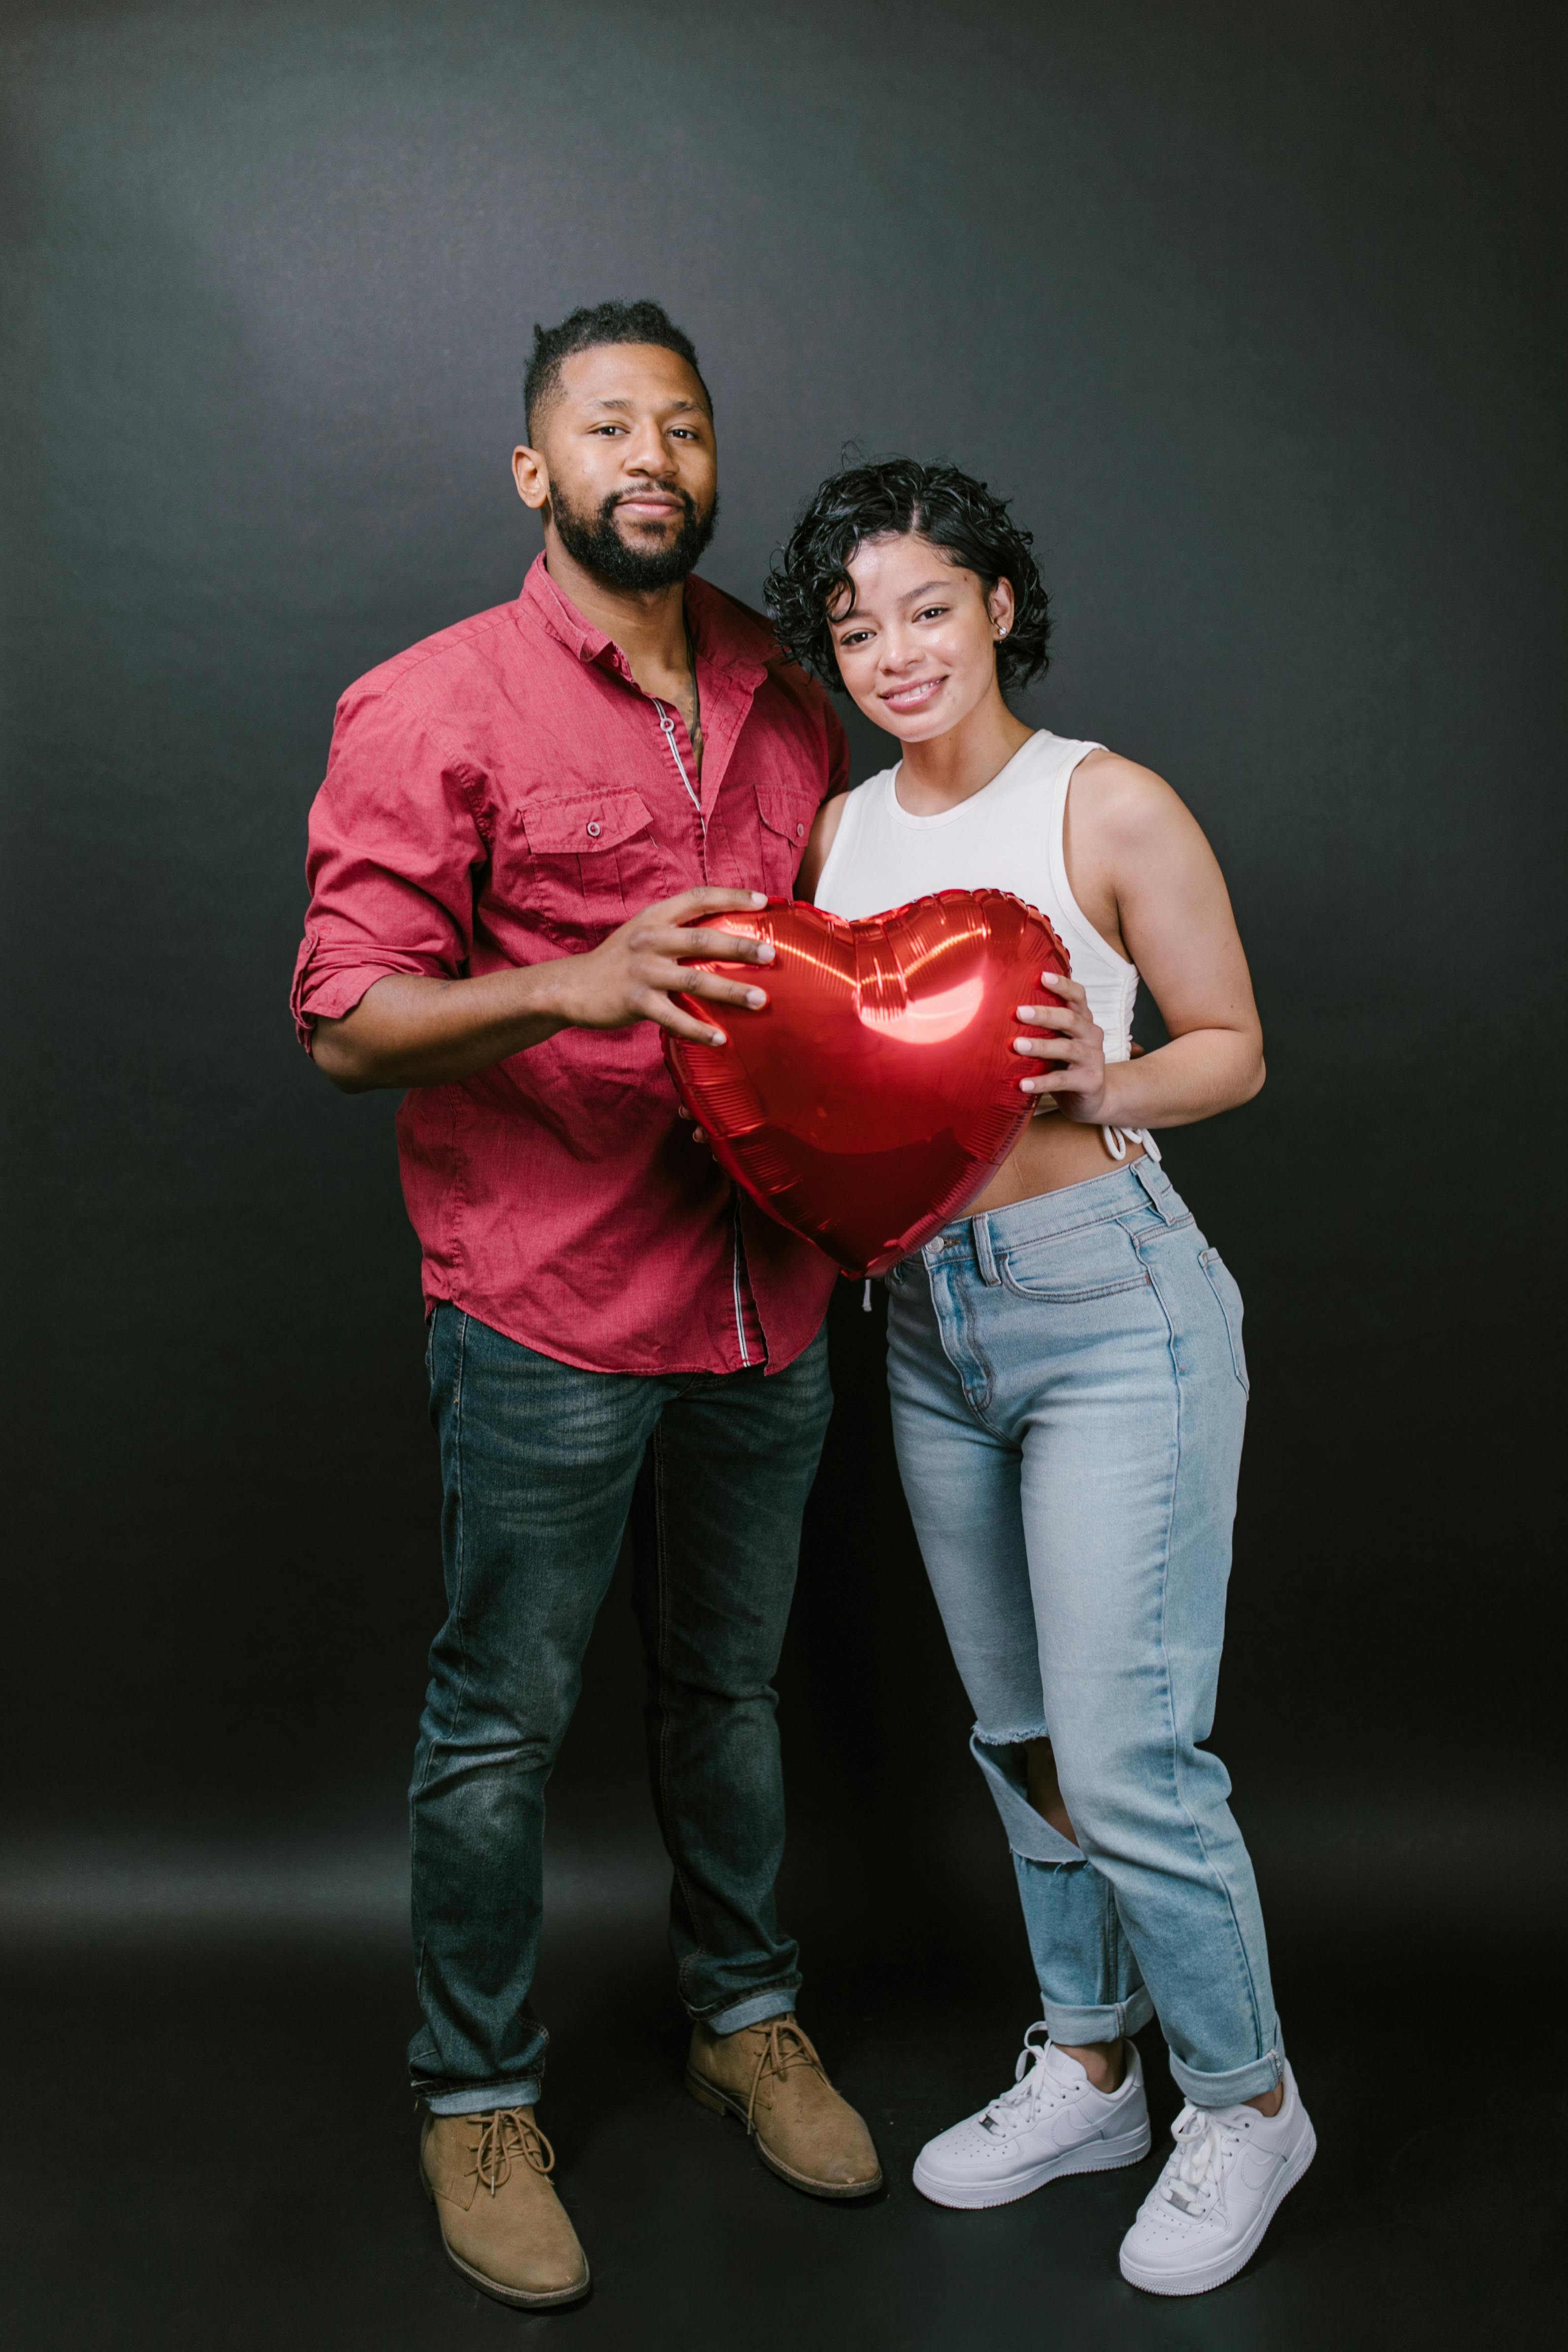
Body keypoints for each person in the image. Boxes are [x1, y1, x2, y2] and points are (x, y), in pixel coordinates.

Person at [291, 302, 882, 2312]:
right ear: (536, 474)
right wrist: (572, 978)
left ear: (710, 467)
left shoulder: (794, 695)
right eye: (607, 424)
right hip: (543, 1315)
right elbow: (346, 1017)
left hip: (767, 1314)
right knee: (497, 1726)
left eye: (685, 424)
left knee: (724, 1695)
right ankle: (474, 2088)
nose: (655, 452)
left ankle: (745, 2012)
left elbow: (831, 982)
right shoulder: (429, 702)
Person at [765, 458, 1314, 2298]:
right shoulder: (837, 838)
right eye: (854, 626)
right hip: (927, 1321)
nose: (893, 651)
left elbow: (1229, 1049)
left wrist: (1102, 1079)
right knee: (1014, 1736)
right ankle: (1087, 2062)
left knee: (1129, 1753)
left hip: (1110, 1307)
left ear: (999, 602)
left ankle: (1243, 2101)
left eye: (928, 606)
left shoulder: (1105, 800)